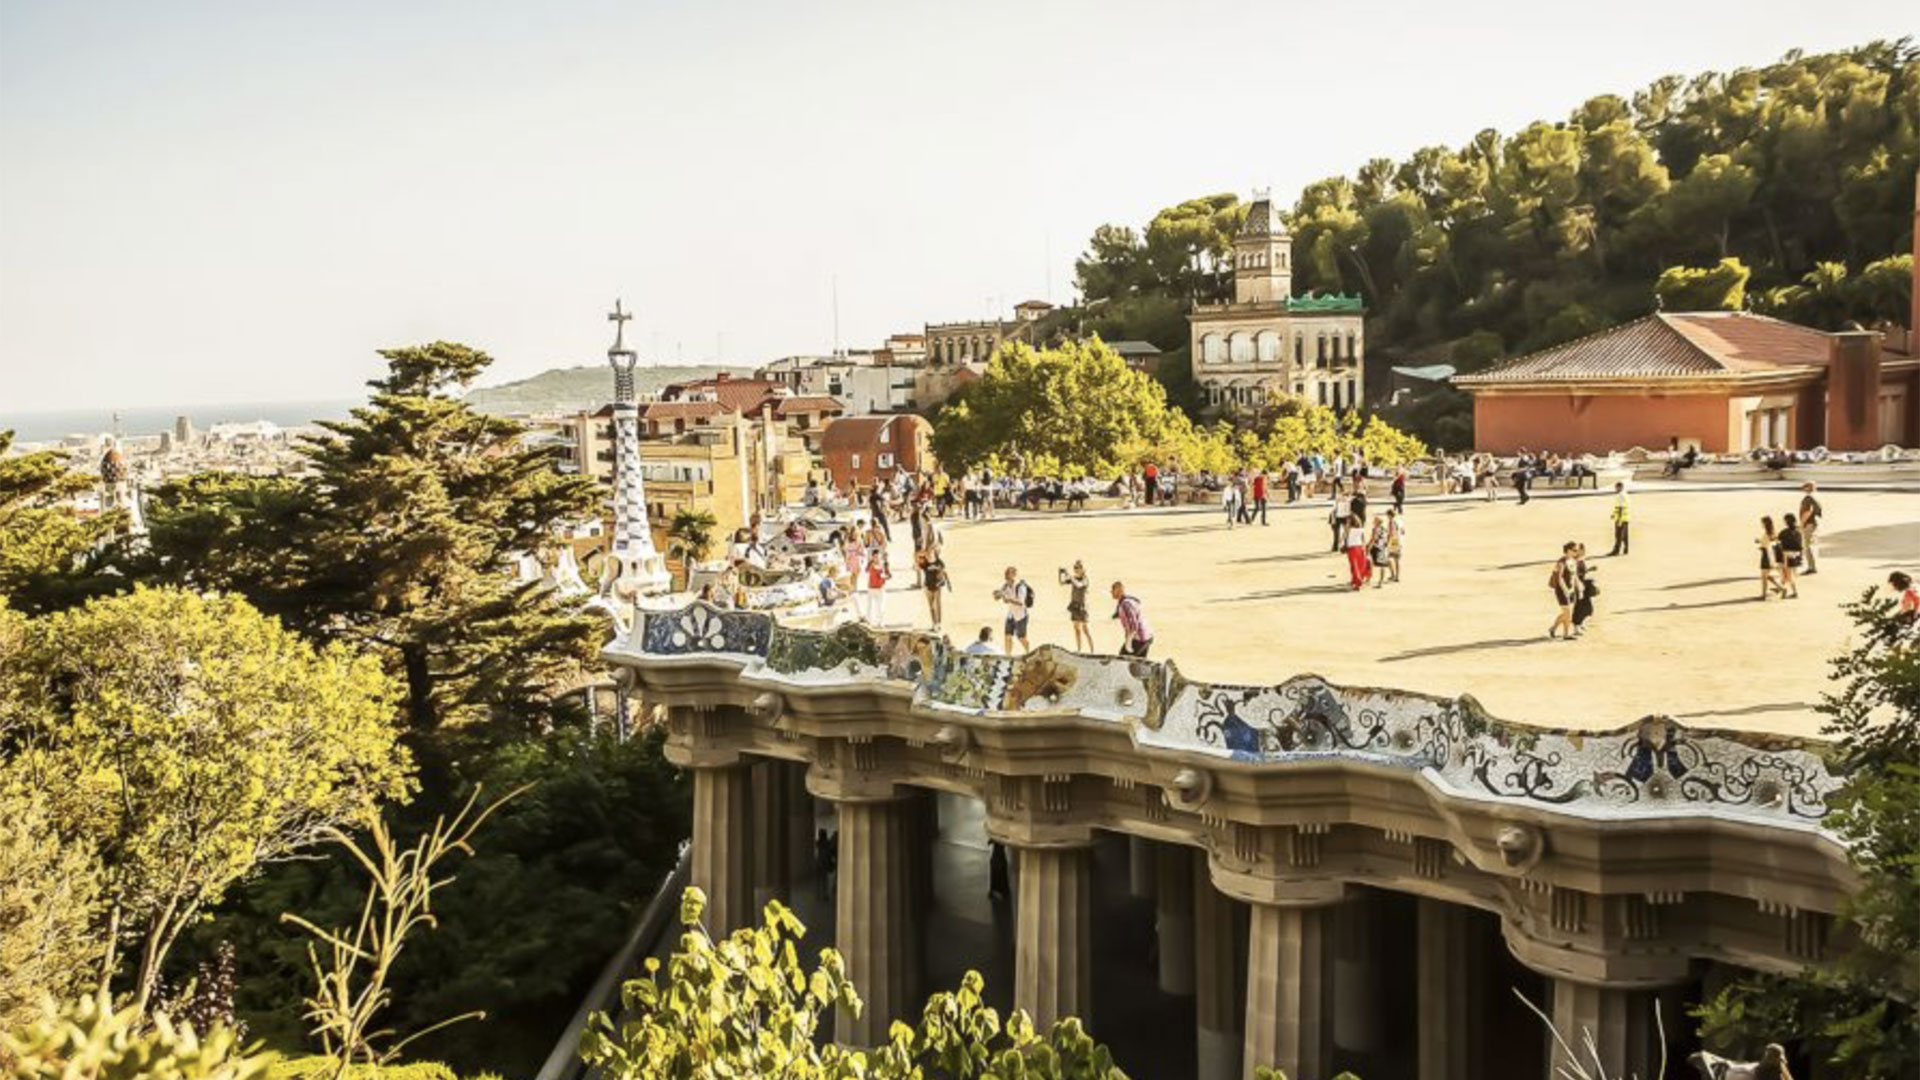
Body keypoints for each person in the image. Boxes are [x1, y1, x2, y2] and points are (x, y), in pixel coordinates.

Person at [994, 566, 1034, 654]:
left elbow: (1021, 602)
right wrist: (997, 594)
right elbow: (998, 597)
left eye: (1009, 574)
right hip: (1011, 615)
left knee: (1021, 638)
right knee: (1007, 636)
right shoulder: (1005, 586)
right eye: (1006, 574)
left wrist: (1008, 599)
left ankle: (1028, 652)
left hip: (1021, 616)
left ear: (1014, 575)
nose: (1006, 576)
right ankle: (1008, 655)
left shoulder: (1020, 587)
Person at [1111, 581, 1154, 657]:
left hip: (1139, 639)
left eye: (1113, 590)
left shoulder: (1125, 604)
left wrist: (1128, 643)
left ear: (1119, 590)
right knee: (1139, 663)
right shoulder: (1128, 600)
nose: (1111, 592)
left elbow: (1133, 626)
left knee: (1122, 659)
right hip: (1147, 637)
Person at [1060, 561, 1094, 652]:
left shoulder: (1085, 579)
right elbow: (1061, 582)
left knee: (1085, 630)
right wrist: (1061, 573)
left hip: (1082, 606)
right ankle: (1079, 649)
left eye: (1078, 567)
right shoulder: (1074, 578)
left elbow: (1079, 585)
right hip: (1074, 605)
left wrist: (1070, 576)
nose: (1076, 569)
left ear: (1082, 569)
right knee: (1076, 629)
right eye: (1075, 568)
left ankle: (1092, 650)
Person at [1548, 543, 1577, 639]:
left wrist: (1575, 587)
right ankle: (1566, 634)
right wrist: (1566, 591)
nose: (1575, 552)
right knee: (1568, 613)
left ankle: (1553, 628)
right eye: (1574, 550)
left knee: (1566, 613)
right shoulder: (1561, 562)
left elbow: (1573, 576)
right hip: (1562, 591)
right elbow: (1560, 578)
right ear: (1568, 550)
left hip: (1570, 590)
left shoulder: (1572, 561)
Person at [1571, 542, 1597, 634]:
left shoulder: (1580, 560)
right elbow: (1574, 575)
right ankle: (1576, 626)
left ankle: (1580, 623)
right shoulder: (1574, 561)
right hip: (1578, 586)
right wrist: (1579, 586)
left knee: (1588, 608)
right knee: (1579, 606)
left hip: (1583, 585)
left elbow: (1582, 572)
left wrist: (1589, 569)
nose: (1583, 552)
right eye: (1581, 550)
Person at [1777, 511, 1803, 600]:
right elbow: (1800, 546)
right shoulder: (1798, 532)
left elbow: (1778, 543)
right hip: (1795, 556)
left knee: (1788, 575)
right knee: (1787, 575)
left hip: (1786, 556)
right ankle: (1780, 588)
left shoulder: (1784, 532)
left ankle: (1794, 592)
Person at [1757, 516, 1784, 601]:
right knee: (1766, 576)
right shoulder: (1771, 532)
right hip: (1767, 554)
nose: (1761, 524)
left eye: (1762, 522)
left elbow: (1770, 545)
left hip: (1767, 555)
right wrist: (1760, 542)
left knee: (1764, 577)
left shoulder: (1768, 533)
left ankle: (1764, 595)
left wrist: (1762, 545)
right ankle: (1781, 588)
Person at [1798, 482, 1823, 574]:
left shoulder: (1808, 498)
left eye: (1805, 487)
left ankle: (1812, 567)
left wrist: (1801, 523)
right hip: (1816, 522)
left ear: (1809, 488)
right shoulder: (1817, 496)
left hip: (1809, 523)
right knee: (1813, 544)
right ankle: (1813, 565)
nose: (1803, 489)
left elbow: (1808, 511)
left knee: (1808, 545)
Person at [1344, 510, 1371, 590]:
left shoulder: (1349, 529)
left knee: (1354, 566)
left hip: (1352, 548)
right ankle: (1357, 580)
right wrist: (1364, 548)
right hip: (1360, 547)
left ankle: (1357, 582)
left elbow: (1345, 536)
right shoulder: (1361, 529)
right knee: (1360, 565)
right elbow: (1363, 539)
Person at [922, 551, 949, 629]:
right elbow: (917, 565)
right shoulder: (924, 562)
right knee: (931, 606)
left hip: (937, 586)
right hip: (927, 585)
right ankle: (934, 623)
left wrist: (939, 570)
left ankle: (939, 623)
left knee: (937, 604)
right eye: (927, 554)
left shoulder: (939, 563)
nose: (928, 555)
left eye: (930, 553)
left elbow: (943, 573)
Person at [1608, 482, 1631, 556]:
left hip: (1621, 518)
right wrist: (1614, 514)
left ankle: (1616, 550)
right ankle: (1626, 549)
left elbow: (1620, 508)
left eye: (1616, 487)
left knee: (1618, 535)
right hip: (1626, 517)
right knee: (1625, 535)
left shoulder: (1620, 496)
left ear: (1620, 487)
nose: (1615, 489)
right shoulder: (1625, 494)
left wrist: (1618, 519)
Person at [1367, 515, 1389, 589]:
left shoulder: (1375, 529)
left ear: (1377, 522)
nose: (1373, 521)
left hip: (1376, 547)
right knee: (1382, 565)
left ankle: (1369, 579)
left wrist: (1369, 548)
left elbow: (1373, 539)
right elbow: (1387, 537)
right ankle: (1380, 581)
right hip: (1383, 547)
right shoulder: (1384, 528)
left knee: (1371, 563)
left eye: (1375, 520)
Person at [1383, 507, 1405, 583]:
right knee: (1397, 559)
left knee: (1387, 558)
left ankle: (1392, 574)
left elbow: (1391, 533)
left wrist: (1387, 542)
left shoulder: (1391, 522)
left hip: (1393, 541)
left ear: (1389, 515)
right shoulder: (1399, 521)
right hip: (1399, 540)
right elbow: (1403, 531)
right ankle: (1397, 576)